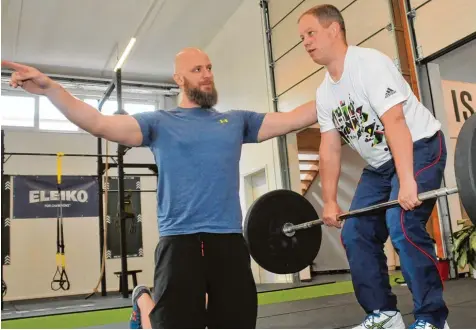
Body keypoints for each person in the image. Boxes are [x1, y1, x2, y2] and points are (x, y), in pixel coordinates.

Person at [1, 47, 317, 329]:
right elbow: (98, 123)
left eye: (209, 68)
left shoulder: (236, 121)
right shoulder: (159, 122)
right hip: (179, 244)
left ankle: (143, 299)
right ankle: (143, 300)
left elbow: (291, 119)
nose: (207, 75)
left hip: (229, 243)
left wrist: (338, 90)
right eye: (197, 70)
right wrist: (52, 90)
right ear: (179, 79)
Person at [297, 4, 449, 329]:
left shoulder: (369, 64)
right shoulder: (325, 93)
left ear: (334, 30)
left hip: (420, 146)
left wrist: (407, 180)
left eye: (311, 33)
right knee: (355, 233)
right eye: (302, 38)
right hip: (380, 165)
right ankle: (384, 315)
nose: (306, 42)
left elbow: (395, 121)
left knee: (402, 223)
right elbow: (330, 147)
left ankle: (433, 320)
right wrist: (327, 201)